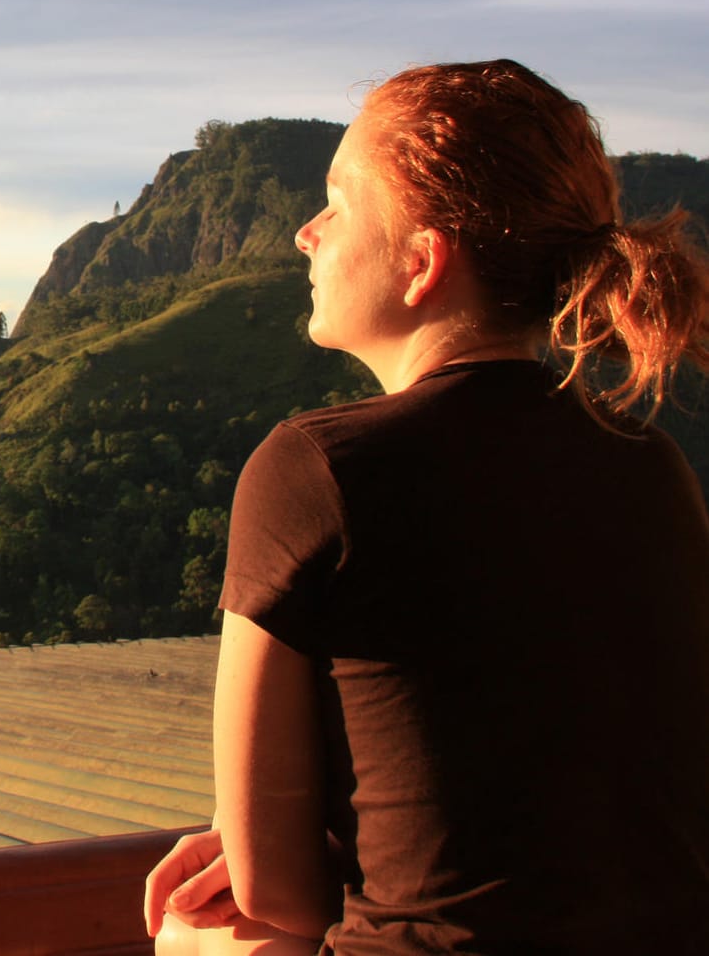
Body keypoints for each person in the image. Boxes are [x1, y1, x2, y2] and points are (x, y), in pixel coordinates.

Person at [142, 59, 709, 954]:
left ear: (421, 262)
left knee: (197, 932)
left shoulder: (314, 468)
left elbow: (276, 891)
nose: (305, 232)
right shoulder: (653, 462)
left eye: (336, 202)